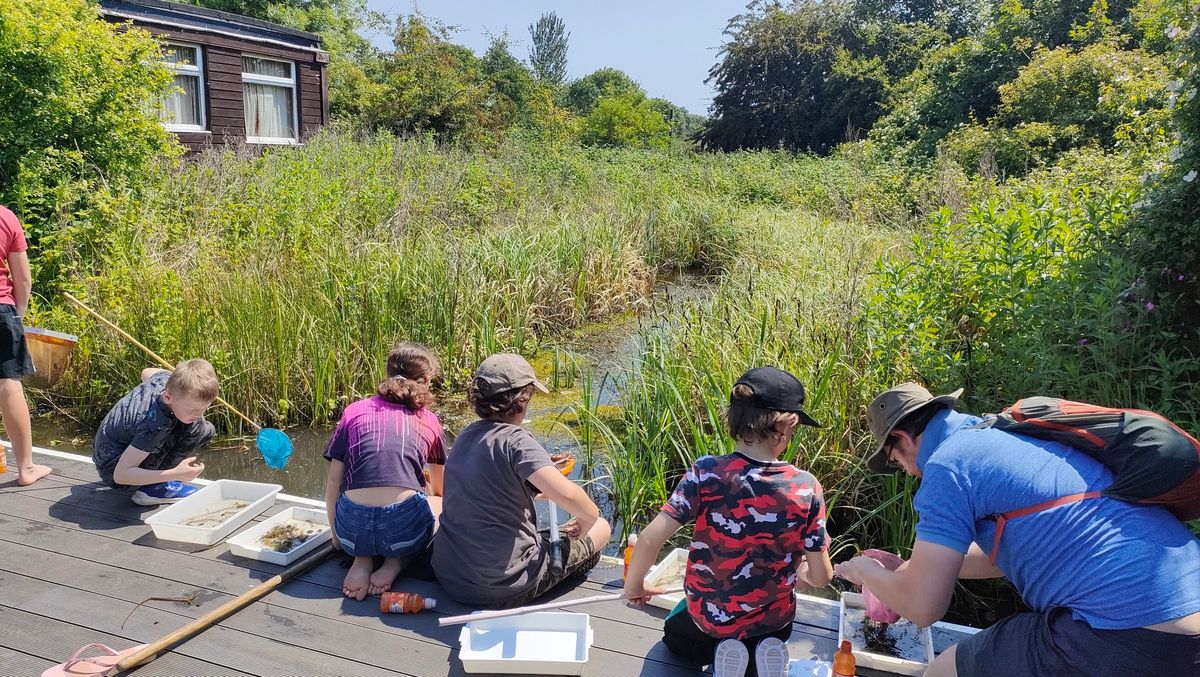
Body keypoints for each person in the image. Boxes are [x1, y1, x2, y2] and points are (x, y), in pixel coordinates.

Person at [834, 383, 1200, 677]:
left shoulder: (947, 465)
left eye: (897, 462)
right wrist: (910, 570)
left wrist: (864, 571)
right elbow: (998, 559)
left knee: (944, 670)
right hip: (1183, 609)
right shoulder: (1006, 435)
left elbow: (922, 608)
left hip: (1128, 629)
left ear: (903, 438)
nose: (910, 473)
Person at [625, 367, 834, 677]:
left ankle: (728, 656)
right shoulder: (806, 486)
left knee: (675, 635)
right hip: (775, 624)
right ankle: (755, 660)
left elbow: (648, 540)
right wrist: (803, 572)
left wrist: (635, 587)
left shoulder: (705, 472)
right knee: (766, 636)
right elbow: (821, 576)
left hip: (709, 621)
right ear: (783, 425)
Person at [433, 353, 610, 608]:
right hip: (507, 586)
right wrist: (588, 518)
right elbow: (570, 496)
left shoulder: (464, 436)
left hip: (452, 578)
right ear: (522, 401)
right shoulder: (517, 441)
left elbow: (493, 484)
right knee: (602, 527)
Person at [323, 342, 447, 601]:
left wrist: (338, 538)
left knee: (359, 504)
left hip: (351, 532)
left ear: (388, 373)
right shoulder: (430, 420)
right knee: (437, 502)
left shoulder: (353, 411)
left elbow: (334, 482)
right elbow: (440, 489)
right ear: (425, 380)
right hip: (403, 534)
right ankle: (396, 562)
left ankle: (362, 558)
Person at [92, 360, 217, 505]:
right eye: (193, 410)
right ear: (168, 397)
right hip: (112, 471)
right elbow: (120, 476)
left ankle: (154, 479)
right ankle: (155, 488)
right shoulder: (154, 425)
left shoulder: (165, 380)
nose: (199, 413)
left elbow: (146, 371)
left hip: (105, 451)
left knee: (200, 425)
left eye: (204, 408)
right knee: (198, 429)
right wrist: (177, 473)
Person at [0, 206, 50, 486]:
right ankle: (26, 468)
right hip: (1, 309)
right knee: (8, 383)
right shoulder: (6, 217)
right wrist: (16, 316)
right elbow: (24, 279)